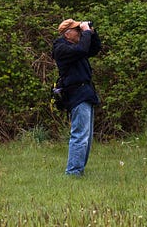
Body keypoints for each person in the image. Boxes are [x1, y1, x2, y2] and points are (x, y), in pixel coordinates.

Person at [52, 18, 101, 176]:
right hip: (76, 94)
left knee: (87, 136)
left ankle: (79, 169)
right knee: (80, 134)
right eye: (77, 30)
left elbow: (94, 49)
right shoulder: (61, 48)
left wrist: (92, 33)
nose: (80, 32)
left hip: (85, 92)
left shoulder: (76, 46)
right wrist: (85, 32)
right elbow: (82, 49)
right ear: (67, 34)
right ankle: (73, 172)